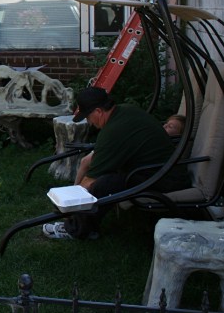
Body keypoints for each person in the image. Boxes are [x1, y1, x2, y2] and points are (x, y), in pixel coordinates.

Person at [42, 87, 190, 240]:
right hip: (161, 171)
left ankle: (76, 229)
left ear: (98, 111)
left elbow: (89, 181)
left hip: (164, 179)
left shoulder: (112, 131)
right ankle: (86, 225)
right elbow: (89, 162)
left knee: (103, 184)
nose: (89, 122)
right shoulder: (126, 111)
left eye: (88, 116)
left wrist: (69, 205)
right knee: (106, 180)